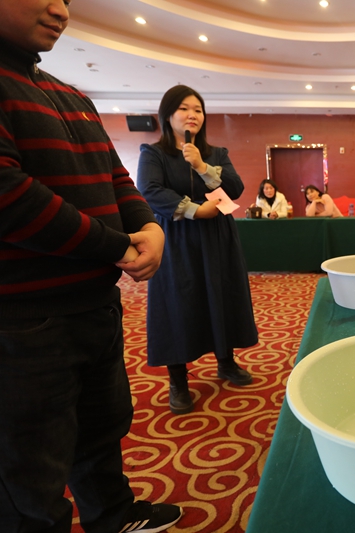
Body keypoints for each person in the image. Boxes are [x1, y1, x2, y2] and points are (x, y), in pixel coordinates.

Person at [0, 1, 183, 531]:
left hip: (95, 305)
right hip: (22, 321)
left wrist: (149, 228)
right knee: (30, 472)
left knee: (101, 431)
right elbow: (9, 197)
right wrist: (116, 247)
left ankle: (114, 517)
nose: (60, 10)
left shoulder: (71, 94)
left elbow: (116, 177)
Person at [138, 85, 258, 416]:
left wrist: (203, 167)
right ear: (167, 115)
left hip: (217, 237)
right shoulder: (154, 153)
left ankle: (226, 361)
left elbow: (235, 188)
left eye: (198, 110)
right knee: (177, 302)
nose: (192, 115)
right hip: (176, 238)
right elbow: (149, 190)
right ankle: (178, 380)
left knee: (221, 295)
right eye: (184, 109)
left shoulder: (216, 153)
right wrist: (194, 210)